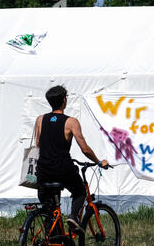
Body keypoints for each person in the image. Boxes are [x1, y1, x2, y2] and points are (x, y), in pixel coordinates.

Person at [34, 85, 109, 234]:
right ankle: (74, 217)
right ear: (64, 100)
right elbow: (85, 149)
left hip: (43, 170)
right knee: (80, 191)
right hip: (62, 169)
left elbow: (37, 145)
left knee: (50, 211)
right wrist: (99, 161)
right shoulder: (71, 122)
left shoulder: (40, 120)